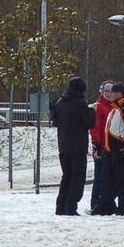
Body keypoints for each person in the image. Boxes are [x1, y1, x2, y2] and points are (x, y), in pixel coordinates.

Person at [50, 76, 95, 215]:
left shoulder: (60, 102)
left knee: (66, 176)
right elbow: (89, 123)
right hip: (78, 146)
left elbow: (55, 121)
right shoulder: (81, 103)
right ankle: (71, 206)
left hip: (63, 145)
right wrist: (92, 111)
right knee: (78, 177)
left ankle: (60, 206)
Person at [97, 81, 124, 215]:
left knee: (121, 182)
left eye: (114, 92)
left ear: (120, 93)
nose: (111, 94)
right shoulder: (115, 108)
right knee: (106, 181)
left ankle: (122, 209)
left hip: (120, 150)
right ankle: (105, 207)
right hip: (110, 151)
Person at [88, 82, 114, 214]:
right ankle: (95, 204)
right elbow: (95, 128)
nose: (109, 94)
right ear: (102, 92)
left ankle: (106, 203)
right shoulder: (99, 107)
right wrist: (97, 145)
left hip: (112, 148)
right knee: (99, 177)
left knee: (109, 178)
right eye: (106, 92)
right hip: (102, 147)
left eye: (111, 91)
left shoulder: (114, 107)